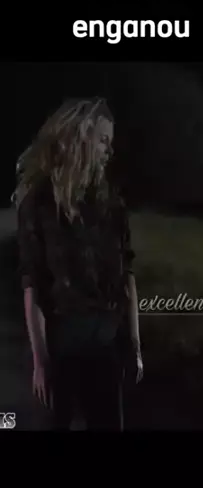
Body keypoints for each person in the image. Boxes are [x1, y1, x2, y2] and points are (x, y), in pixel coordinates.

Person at [14, 96, 143, 431]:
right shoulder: (38, 203)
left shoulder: (110, 205)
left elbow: (127, 275)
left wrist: (134, 344)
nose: (109, 151)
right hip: (60, 346)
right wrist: (40, 361)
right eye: (103, 141)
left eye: (110, 143)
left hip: (104, 346)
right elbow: (33, 285)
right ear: (79, 138)